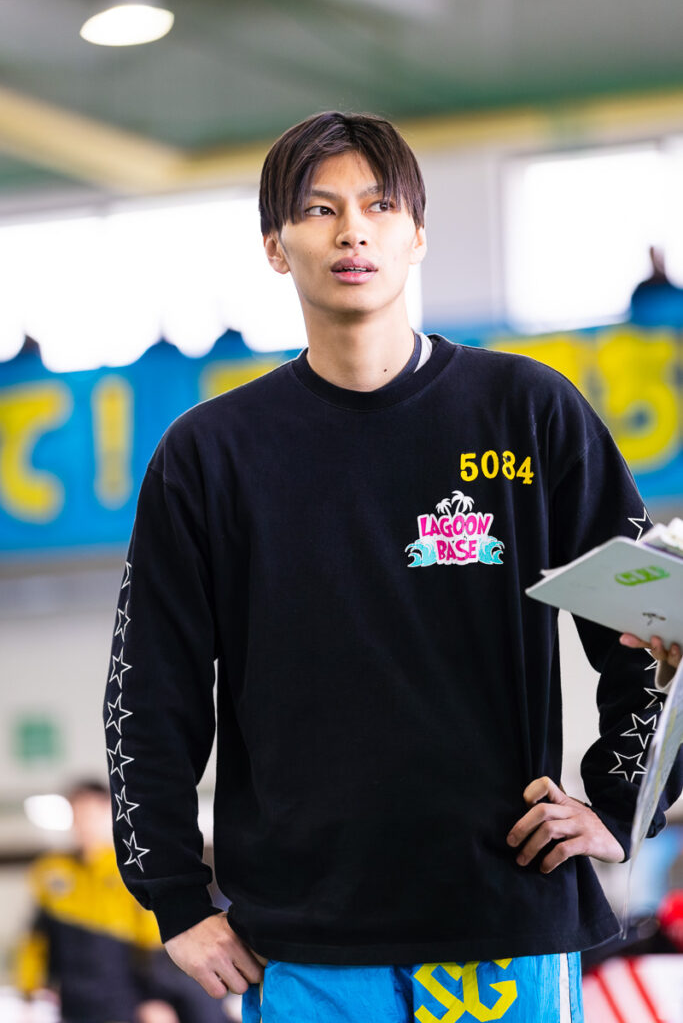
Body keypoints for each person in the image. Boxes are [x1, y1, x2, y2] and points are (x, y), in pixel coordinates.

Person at [103, 111, 683, 1022]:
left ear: (417, 233)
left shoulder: (527, 413)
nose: (352, 232)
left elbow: (654, 622)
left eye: (379, 206)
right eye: (318, 209)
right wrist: (174, 895)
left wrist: (618, 805)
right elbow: (149, 689)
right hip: (300, 943)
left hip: (506, 921)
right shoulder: (211, 456)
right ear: (274, 246)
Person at [14, 780, 230, 1023]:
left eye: (91, 814)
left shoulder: (132, 870)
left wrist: (156, 998)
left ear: (109, 813)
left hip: (126, 1000)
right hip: (73, 1002)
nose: (84, 823)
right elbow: (36, 937)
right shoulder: (51, 873)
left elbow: (155, 941)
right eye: (78, 814)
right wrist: (30, 990)